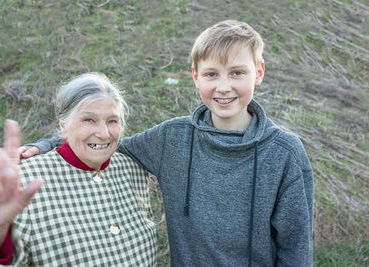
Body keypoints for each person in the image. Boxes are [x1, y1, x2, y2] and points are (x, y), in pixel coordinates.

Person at [20, 20, 314, 266]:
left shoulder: (284, 153)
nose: (223, 87)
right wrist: (48, 145)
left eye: (237, 73)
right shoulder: (172, 138)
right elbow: (104, 142)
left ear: (258, 73)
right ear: (196, 77)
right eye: (212, 74)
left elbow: (295, 247)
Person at [0, 73, 157, 266]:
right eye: (89, 120)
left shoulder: (133, 169)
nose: (103, 133)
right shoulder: (23, 181)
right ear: (63, 126)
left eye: (112, 121)